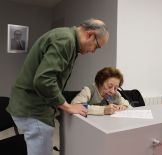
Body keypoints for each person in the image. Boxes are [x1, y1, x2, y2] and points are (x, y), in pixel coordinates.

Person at [6, 18, 109, 155]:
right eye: (96, 46)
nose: (93, 51)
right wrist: (67, 106)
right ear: (90, 35)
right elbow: (44, 80)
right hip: (34, 110)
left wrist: (58, 108)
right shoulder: (66, 41)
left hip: (29, 106)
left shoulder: (66, 37)